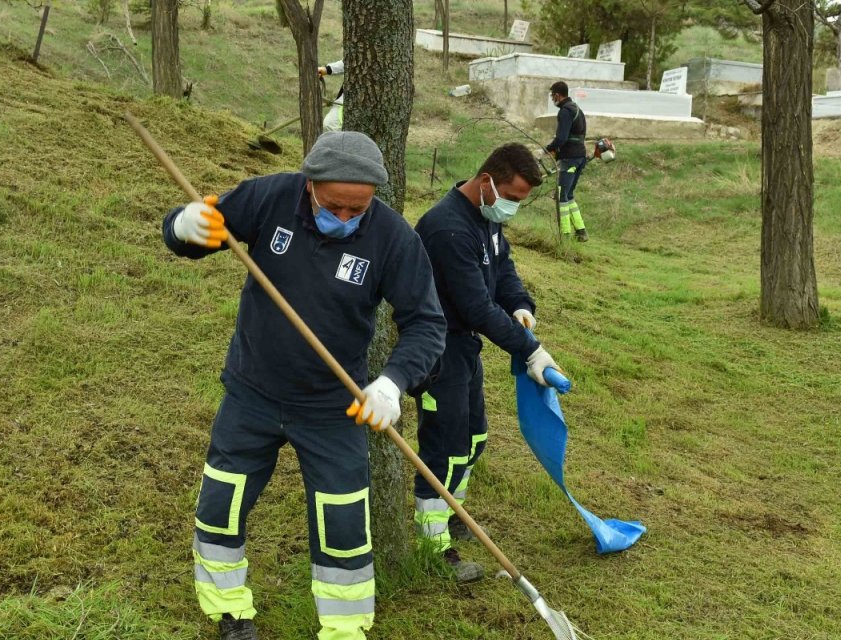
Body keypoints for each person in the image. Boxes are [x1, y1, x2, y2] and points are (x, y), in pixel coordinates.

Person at [162, 131, 446, 640]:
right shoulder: (268, 196)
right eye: (333, 206)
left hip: (334, 407)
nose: (343, 219)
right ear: (310, 185)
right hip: (253, 392)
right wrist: (184, 227)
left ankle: (345, 628)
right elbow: (193, 238)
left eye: (356, 210)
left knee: (342, 522)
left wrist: (391, 384)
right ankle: (228, 608)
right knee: (221, 504)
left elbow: (427, 323)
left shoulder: (393, 238)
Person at [412, 143, 563, 581]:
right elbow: (477, 307)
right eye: (511, 199)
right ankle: (433, 541)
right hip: (437, 349)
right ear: (486, 183)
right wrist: (529, 349)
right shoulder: (447, 230)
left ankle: (453, 511)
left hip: (465, 348)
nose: (513, 209)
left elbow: (503, 268)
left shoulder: (485, 220)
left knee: (474, 438)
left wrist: (519, 304)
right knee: (445, 445)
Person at [544, 81, 589, 242]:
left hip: (570, 159)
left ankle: (564, 234)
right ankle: (581, 232)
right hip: (580, 158)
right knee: (569, 194)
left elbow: (561, 138)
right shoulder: (577, 109)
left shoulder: (565, 111)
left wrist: (548, 149)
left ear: (557, 95)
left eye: (552, 95)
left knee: (562, 195)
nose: (552, 99)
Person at [318, 60, 345, 132]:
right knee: (330, 125)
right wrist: (327, 69)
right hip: (345, 99)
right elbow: (351, 60)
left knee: (332, 125)